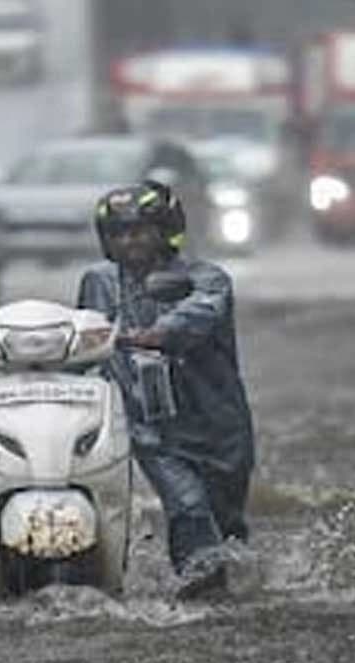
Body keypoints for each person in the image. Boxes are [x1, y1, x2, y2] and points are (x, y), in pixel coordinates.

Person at [76, 180, 255, 598]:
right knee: (187, 508)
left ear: (165, 230)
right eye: (118, 234)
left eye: (139, 231)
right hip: (152, 429)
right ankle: (197, 599)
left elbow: (198, 315)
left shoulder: (208, 279)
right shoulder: (98, 282)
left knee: (226, 527)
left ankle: (228, 593)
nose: (129, 242)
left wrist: (155, 334)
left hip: (218, 426)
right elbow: (81, 337)